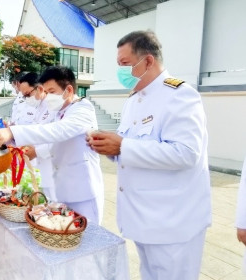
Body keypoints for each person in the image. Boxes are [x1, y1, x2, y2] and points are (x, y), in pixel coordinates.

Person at [87, 30, 211, 279]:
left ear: (148, 61)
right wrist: (109, 146)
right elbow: (131, 147)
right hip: (143, 219)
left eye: (124, 64)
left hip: (173, 223)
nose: (120, 71)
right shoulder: (135, 100)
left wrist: (122, 146)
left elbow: (186, 153)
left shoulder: (180, 95)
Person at [0, 66, 104, 224]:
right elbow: (53, 141)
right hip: (61, 187)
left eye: (51, 91)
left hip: (82, 190)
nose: (47, 96)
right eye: (46, 92)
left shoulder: (83, 108)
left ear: (68, 90)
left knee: (86, 236)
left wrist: (12, 132)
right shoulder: (60, 111)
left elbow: (59, 131)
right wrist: (33, 149)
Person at [18, 72, 57, 201]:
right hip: (39, 164)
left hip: (52, 164)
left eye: (27, 94)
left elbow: (57, 138)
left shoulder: (54, 106)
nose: (26, 98)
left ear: (39, 88)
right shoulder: (39, 106)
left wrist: (37, 151)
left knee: (53, 200)